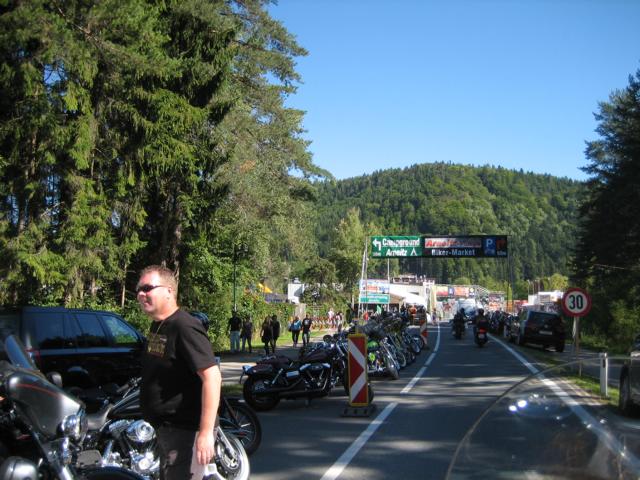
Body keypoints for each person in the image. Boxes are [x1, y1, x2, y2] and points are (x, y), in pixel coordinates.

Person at [137, 265, 221, 480]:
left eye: (147, 288)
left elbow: (212, 377)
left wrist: (205, 433)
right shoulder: (159, 326)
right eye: (139, 289)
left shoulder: (184, 326)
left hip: (186, 431)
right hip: (167, 429)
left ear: (169, 291)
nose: (141, 294)